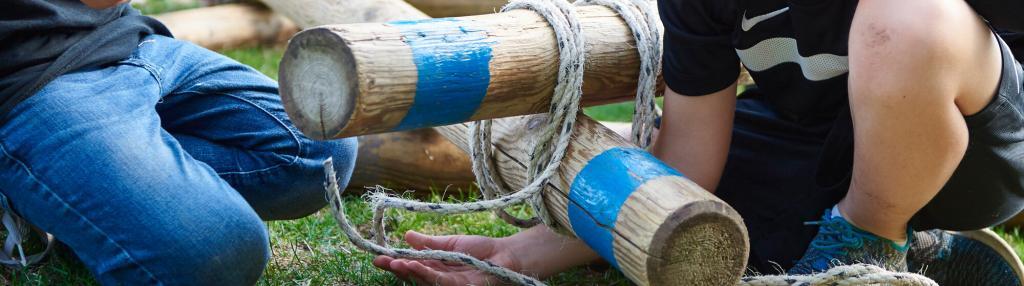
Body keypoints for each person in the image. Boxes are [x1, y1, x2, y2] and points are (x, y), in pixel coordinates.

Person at [374, 0, 1024, 285]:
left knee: (904, 20)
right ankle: (935, 255)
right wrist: (525, 254)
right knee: (702, 225)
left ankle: (866, 247)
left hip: (980, 146)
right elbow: (691, 162)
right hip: (823, 153)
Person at [0, 0, 358, 284]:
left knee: (322, 147)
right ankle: (38, 190)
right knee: (222, 250)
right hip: (28, 77)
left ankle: (94, 199)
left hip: (123, 36)